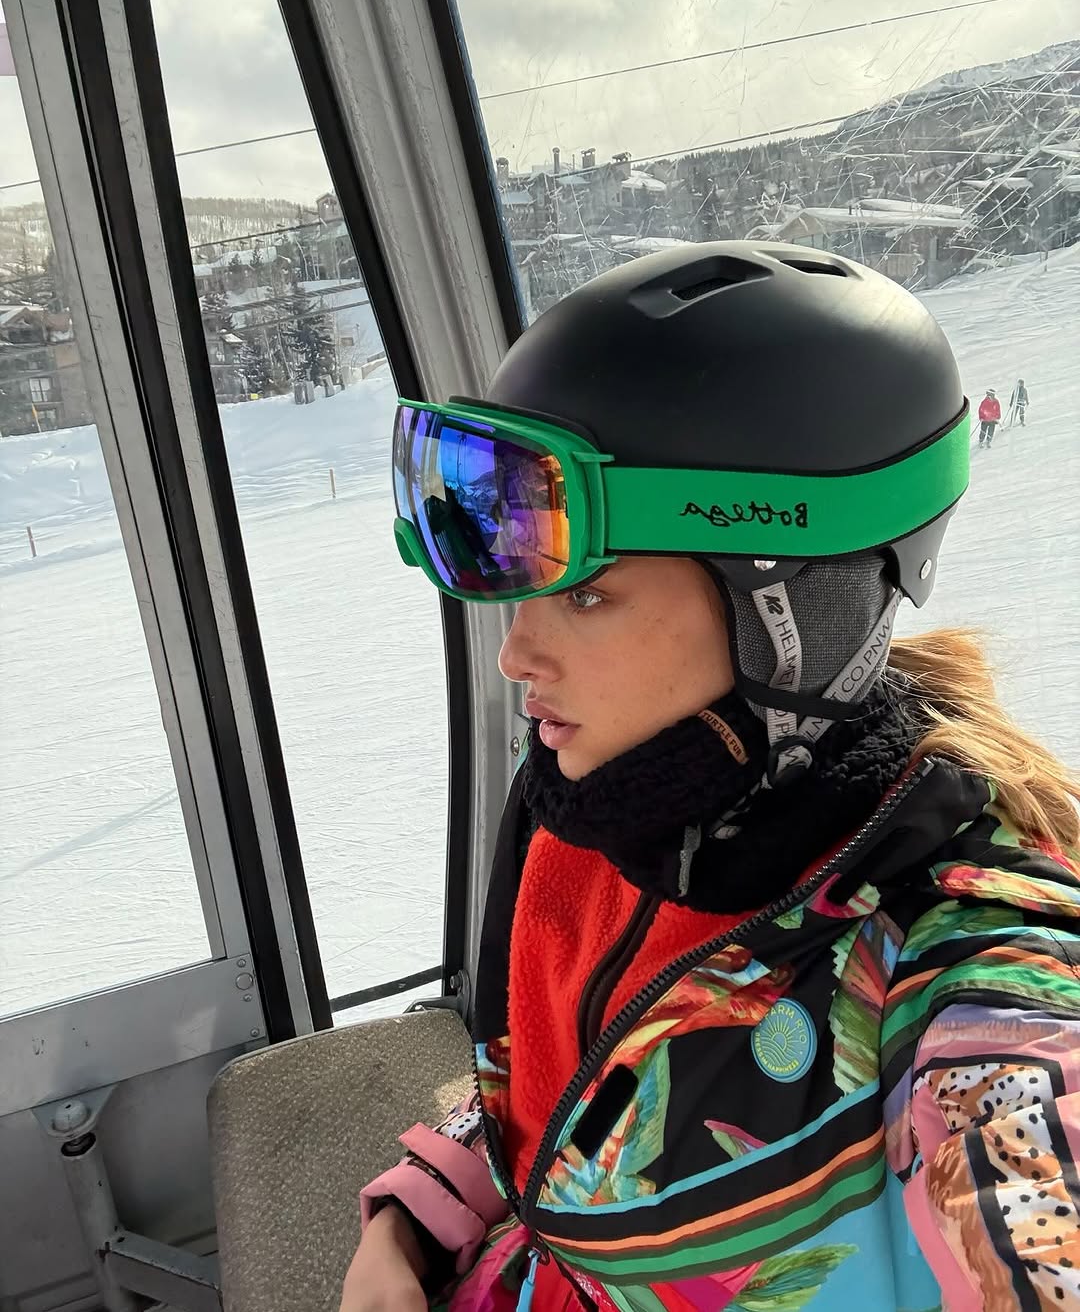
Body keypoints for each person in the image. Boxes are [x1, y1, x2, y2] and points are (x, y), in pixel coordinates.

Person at [345, 243, 1080, 1312]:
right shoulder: (590, 817)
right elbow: (547, 1091)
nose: (516, 656)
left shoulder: (959, 971)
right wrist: (417, 1220)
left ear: (788, 616)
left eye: (587, 596)